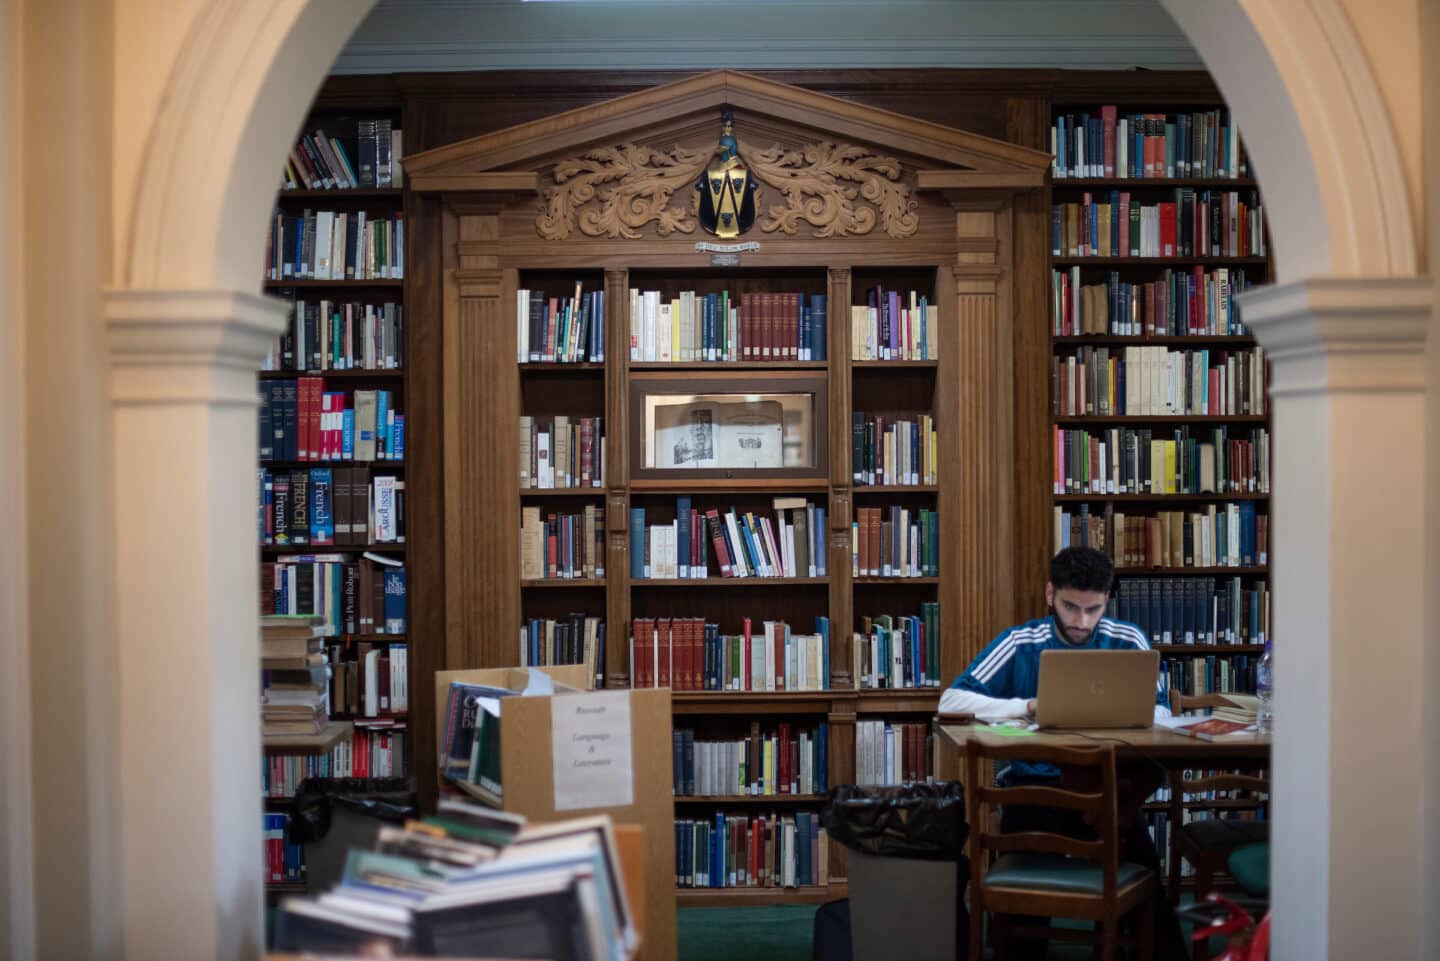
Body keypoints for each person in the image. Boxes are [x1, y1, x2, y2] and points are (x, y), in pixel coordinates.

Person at [940, 546, 1188, 961]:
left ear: (1107, 600)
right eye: (1071, 607)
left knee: (1143, 868)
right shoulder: (1021, 641)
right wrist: (1028, 706)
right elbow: (949, 702)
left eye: (1094, 610)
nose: (1082, 622)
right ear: (1050, 593)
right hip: (1034, 787)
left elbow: (1160, 713)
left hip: (1108, 790)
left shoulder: (1129, 640)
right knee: (1029, 889)